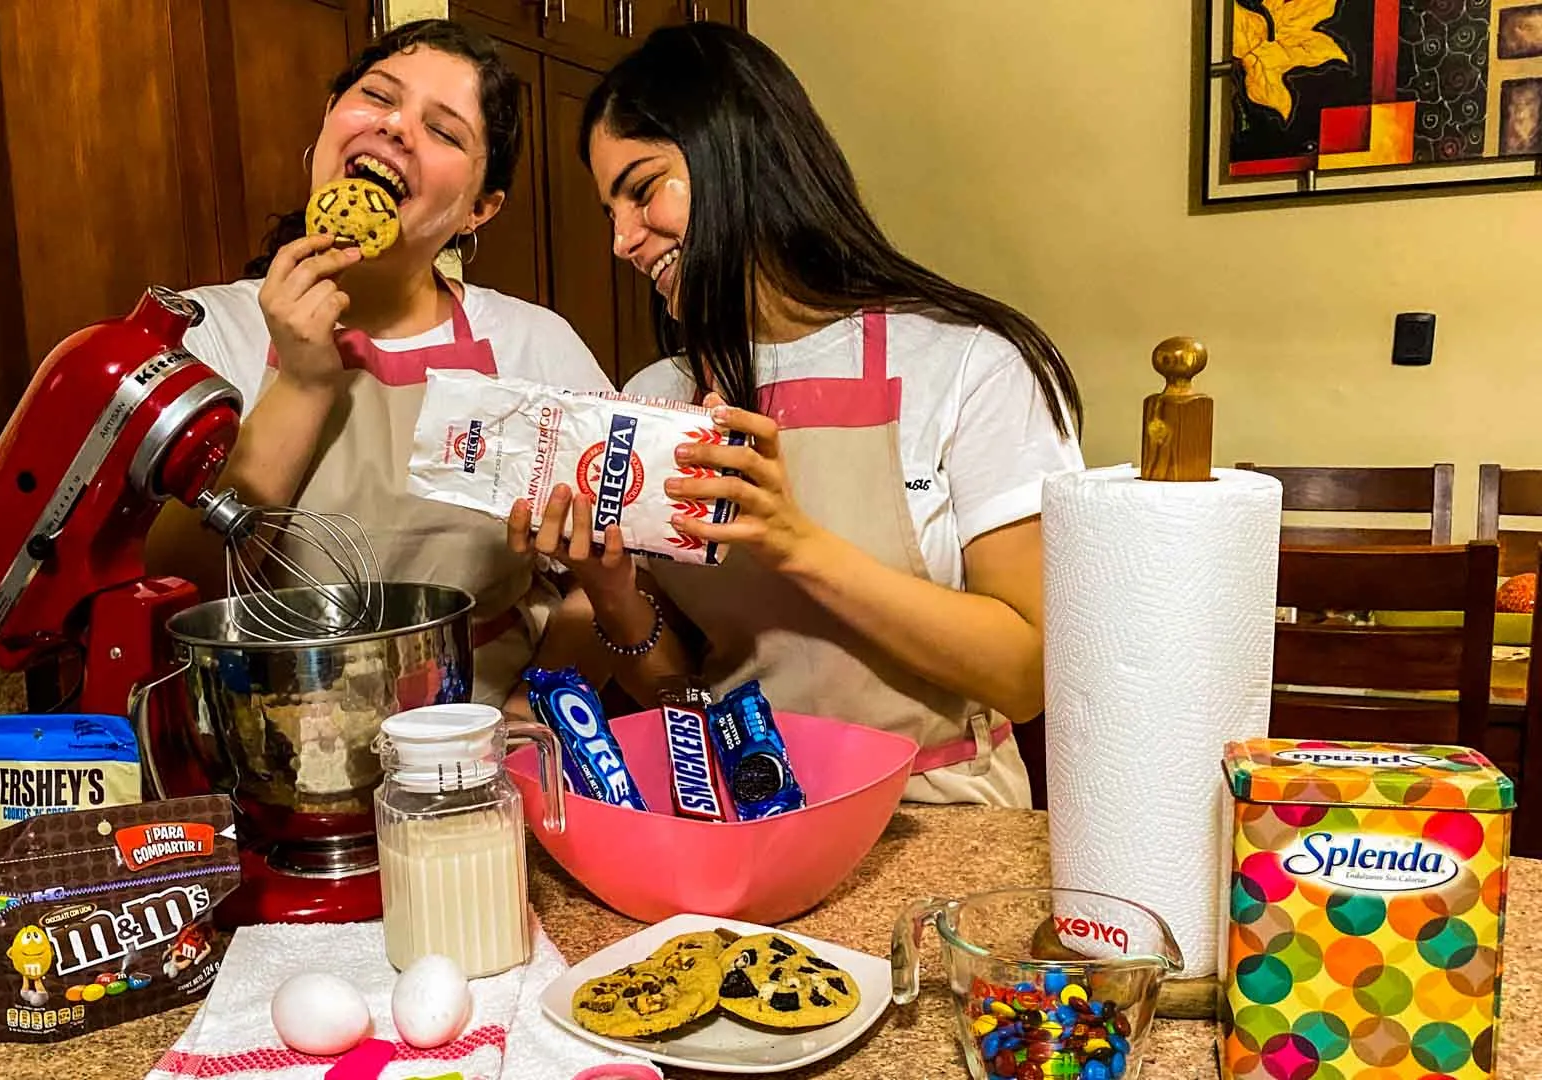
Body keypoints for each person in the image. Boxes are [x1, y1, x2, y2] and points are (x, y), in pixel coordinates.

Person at [511, 23, 1086, 806]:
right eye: (610, 210)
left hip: (939, 814)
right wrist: (611, 591)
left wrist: (796, 545)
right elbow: (680, 697)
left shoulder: (968, 363)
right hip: (747, 816)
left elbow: (1023, 677)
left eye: (643, 190)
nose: (621, 240)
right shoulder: (659, 394)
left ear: (737, 153)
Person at [150, 20, 612, 706]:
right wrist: (302, 382)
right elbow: (176, 591)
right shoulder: (205, 333)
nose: (397, 127)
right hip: (270, 738)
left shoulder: (532, 347)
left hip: (478, 736)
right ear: (329, 118)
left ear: (480, 209)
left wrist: (534, 708)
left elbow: (609, 583)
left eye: (445, 131)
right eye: (378, 96)